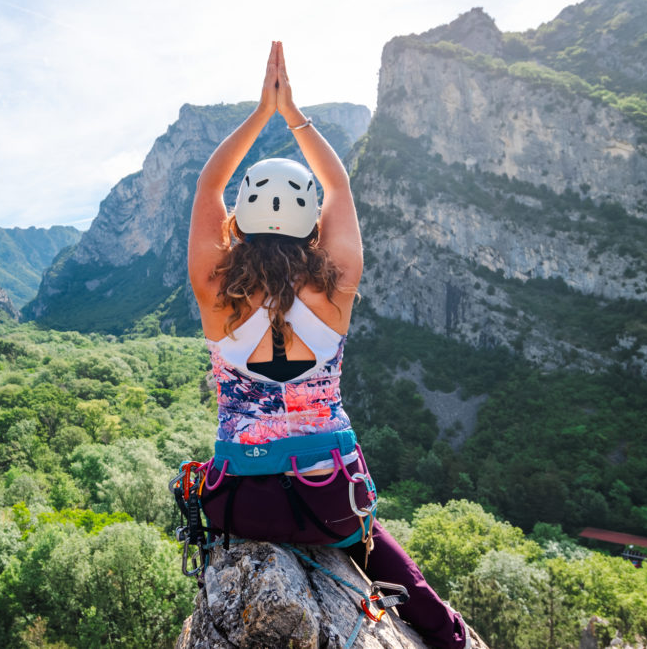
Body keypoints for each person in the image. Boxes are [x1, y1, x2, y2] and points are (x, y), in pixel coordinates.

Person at [186, 41, 470, 649]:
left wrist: (260, 114)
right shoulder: (336, 284)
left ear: (238, 218)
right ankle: (447, 636)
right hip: (330, 501)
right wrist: (293, 117)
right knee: (393, 563)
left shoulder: (216, 290)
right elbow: (337, 185)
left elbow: (209, 185)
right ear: (314, 224)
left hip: (240, 503)